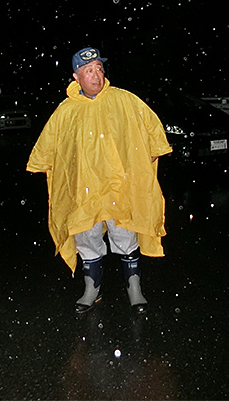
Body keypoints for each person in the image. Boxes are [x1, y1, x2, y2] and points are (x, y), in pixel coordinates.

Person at [26, 47, 172, 314]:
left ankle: (134, 288)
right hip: (84, 192)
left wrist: (145, 159)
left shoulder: (124, 100)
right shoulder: (66, 112)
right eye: (88, 71)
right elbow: (48, 149)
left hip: (119, 188)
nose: (96, 75)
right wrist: (45, 165)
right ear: (76, 77)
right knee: (86, 237)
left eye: (99, 69)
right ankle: (92, 288)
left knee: (126, 234)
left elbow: (153, 130)